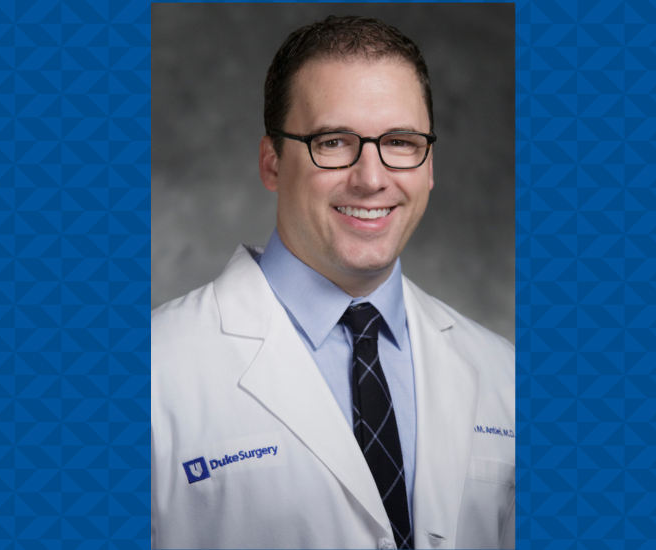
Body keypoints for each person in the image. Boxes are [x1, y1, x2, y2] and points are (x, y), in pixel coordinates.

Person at [151, 15, 515, 550]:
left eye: (401, 142)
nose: (371, 178)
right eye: (335, 141)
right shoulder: (153, 372)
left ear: (430, 165)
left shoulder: (504, 374)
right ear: (272, 163)